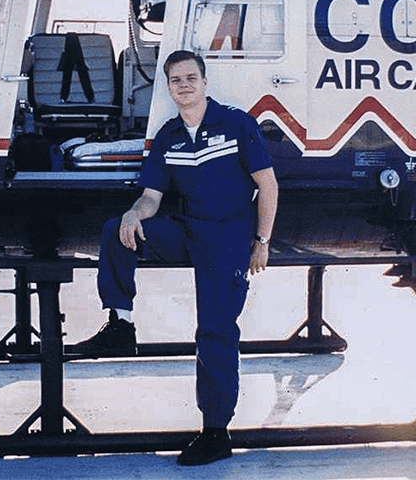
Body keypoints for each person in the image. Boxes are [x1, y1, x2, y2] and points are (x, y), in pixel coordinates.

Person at [70, 49, 278, 466]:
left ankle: (216, 432)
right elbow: (151, 197)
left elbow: (268, 185)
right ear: (168, 88)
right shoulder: (169, 135)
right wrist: (133, 214)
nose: (184, 86)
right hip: (187, 229)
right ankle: (120, 324)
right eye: (176, 80)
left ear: (204, 83)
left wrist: (262, 241)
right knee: (116, 229)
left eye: (191, 78)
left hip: (227, 238)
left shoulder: (236, 123)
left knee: (214, 331)